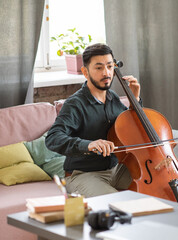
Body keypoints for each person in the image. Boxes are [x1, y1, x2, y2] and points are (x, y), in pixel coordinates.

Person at [45, 43, 141, 198]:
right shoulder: (75, 104)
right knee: (118, 203)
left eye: (110, 67)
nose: (107, 73)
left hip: (117, 169)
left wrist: (135, 100)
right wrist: (88, 145)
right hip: (84, 174)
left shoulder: (113, 98)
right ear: (85, 72)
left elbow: (129, 127)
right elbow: (53, 138)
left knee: (165, 181)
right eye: (99, 67)